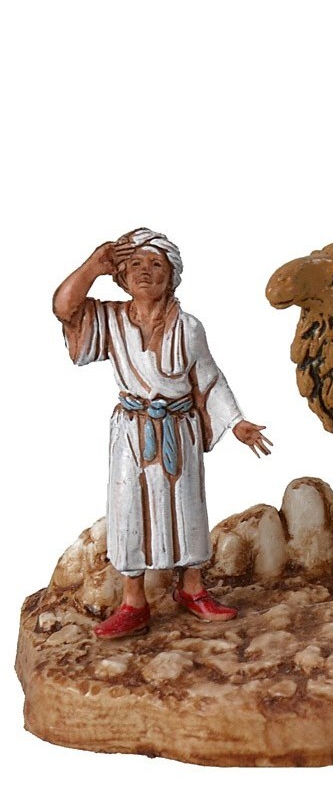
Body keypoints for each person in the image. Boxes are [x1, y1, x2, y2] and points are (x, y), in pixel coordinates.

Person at [53, 228, 271, 638]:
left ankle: (192, 588)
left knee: (186, 507)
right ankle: (133, 602)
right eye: (135, 264)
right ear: (122, 276)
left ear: (171, 276)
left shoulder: (188, 327)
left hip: (179, 429)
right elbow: (65, 307)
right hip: (132, 432)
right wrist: (95, 265)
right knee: (129, 510)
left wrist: (235, 422)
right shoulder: (110, 319)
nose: (145, 272)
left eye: (156, 264)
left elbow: (209, 378)